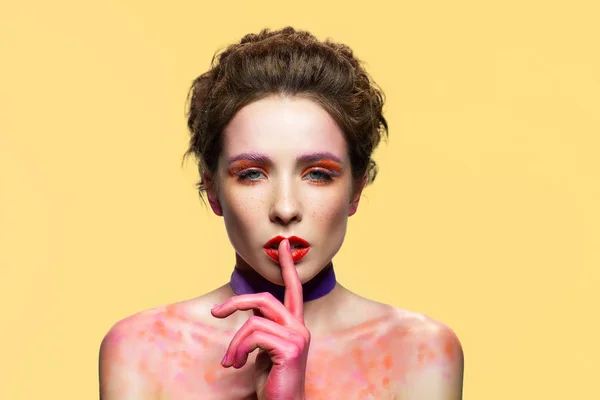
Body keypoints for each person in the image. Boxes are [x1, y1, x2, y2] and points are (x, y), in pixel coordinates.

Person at [98, 26, 464, 400]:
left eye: (318, 174)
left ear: (355, 189)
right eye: (252, 174)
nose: (285, 209)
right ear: (212, 190)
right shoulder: (142, 350)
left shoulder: (420, 354)